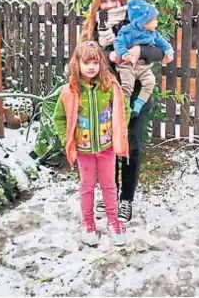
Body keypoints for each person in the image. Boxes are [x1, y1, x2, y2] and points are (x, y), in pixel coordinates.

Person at [80, 0, 165, 223]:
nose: (108, 5)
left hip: (136, 95)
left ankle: (126, 198)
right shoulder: (95, 28)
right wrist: (110, 55)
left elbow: (158, 50)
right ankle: (109, 194)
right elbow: (88, 57)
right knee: (107, 148)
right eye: (103, 1)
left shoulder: (136, 21)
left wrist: (138, 51)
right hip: (106, 97)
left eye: (113, 0)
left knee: (131, 148)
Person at [53, 41, 130, 246]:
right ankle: (88, 222)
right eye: (86, 62)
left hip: (107, 149)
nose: (91, 67)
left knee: (109, 185)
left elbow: (124, 112)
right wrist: (66, 139)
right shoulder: (70, 91)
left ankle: (113, 222)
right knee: (87, 186)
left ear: (101, 64)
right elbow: (59, 118)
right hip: (83, 150)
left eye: (95, 62)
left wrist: (118, 132)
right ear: (77, 64)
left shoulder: (110, 87)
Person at [114, 0, 174, 118]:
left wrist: (169, 52)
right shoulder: (127, 31)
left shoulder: (153, 33)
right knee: (127, 85)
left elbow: (162, 43)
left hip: (144, 67)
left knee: (150, 82)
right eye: (154, 20)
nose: (157, 22)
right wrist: (125, 54)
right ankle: (125, 108)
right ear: (143, 21)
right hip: (128, 65)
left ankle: (138, 106)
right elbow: (118, 44)